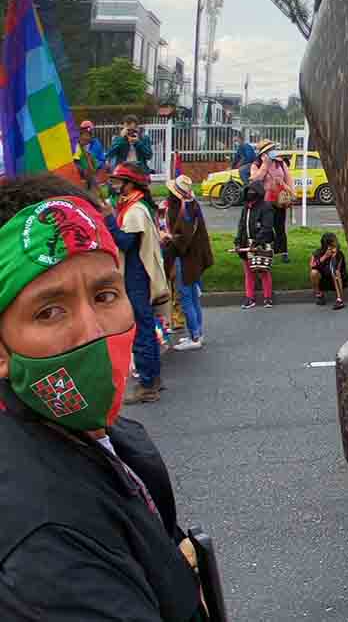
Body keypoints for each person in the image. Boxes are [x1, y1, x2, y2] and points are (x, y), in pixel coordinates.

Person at [0, 175, 205, 620]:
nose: (94, 331)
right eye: (49, 310)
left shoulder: (104, 437)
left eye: (105, 295)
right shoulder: (43, 543)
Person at [104, 164, 168, 405]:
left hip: (136, 276)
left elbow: (125, 242)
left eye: (120, 181)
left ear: (131, 184)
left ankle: (147, 384)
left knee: (142, 330)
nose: (116, 185)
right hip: (137, 274)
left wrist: (108, 218)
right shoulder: (136, 206)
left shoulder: (135, 211)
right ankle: (153, 379)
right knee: (146, 328)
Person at [164, 175, 213, 351]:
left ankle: (194, 336)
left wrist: (168, 237)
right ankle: (198, 332)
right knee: (193, 297)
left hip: (185, 260)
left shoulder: (184, 211)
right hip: (195, 260)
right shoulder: (193, 205)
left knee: (186, 298)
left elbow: (182, 241)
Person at [234, 181, 275, 309]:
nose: (250, 194)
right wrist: (237, 241)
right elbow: (241, 225)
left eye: (253, 192)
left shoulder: (266, 207)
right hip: (246, 243)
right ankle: (249, 298)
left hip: (261, 244)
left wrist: (257, 242)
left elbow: (267, 227)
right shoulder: (246, 207)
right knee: (248, 272)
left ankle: (268, 298)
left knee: (263, 270)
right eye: (248, 192)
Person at [250, 140, 293, 262]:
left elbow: (288, 178)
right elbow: (255, 179)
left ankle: (283, 252)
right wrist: (265, 165)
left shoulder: (280, 163)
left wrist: (291, 193)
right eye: (270, 150)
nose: (273, 152)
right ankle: (268, 250)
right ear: (263, 153)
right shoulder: (256, 165)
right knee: (267, 227)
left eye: (273, 149)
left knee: (280, 226)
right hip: (264, 201)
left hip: (279, 200)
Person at [309, 232, 348, 310]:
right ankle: (319, 295)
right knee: (313, 273)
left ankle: (339, 300)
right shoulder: (317, 253)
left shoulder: (339, 254)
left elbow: (337, 269)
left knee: (335, 272)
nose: (336, 244)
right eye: (333, 244)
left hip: (337, 281)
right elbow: (312, 265)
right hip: (323, 280)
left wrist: (333, 257)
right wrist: (325, 257)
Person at [74, 121, 107, 193]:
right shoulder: (77, 145)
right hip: (84, 168)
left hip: (98, 167)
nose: (85, 137)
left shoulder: (96, 143)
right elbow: (76, 158)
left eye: (88, 134)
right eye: (83, 134)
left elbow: (91, 159)